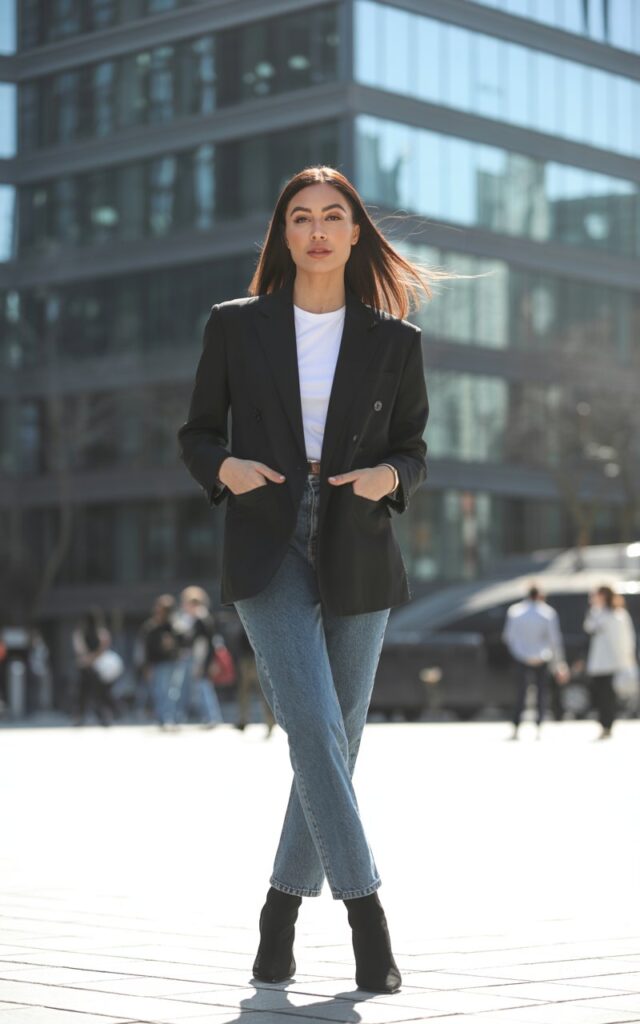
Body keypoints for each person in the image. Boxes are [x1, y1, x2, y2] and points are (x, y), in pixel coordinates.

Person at [177, 165, 435, 994]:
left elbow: (416, 450)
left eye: (333, 217)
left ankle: (278, 915)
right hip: (268, 540)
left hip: (357, 539)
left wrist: (387, 478)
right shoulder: (236, 326)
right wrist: (226, 466)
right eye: (301, 217)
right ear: (283, 233)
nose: (317, 230)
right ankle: (368, 916)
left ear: (356, 232)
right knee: (316, 728)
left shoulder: (396, 342)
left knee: (336, 742)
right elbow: (195, 433)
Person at [502, 584, 570, 740]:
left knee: (520, 693)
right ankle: (539, 725)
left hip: (521, 657)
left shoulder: (515, 612)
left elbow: (509, 637)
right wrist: (559, 662)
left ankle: (516, 726)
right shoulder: (547, 613)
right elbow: (554, 640)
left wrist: (520, 653)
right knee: (541, 693)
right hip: (542, 657)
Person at [583, 584, 637, 740]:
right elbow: (588, 627)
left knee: (609, 696)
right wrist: (594, 607)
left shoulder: (618, 615)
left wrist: (627, 661)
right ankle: (603, 724)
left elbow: (625, 639)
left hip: (613, 662)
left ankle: (608, 724)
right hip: (598, 663)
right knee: (599, 695)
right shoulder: (596, 613)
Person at [172, 586, 223, 728]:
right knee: (197, 689)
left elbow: (203, 644)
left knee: (203, 688)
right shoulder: (194, 619)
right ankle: (207, 717)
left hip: (200, 659)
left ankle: (212, 717)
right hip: (197, 659)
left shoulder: (201, 620)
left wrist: (201, 664)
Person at [138, 595, 180, 728]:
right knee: (159, 691)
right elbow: (145, 648)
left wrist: (172, 643)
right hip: (157, 663)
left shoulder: (174, 625)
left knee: (172, 691)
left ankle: (170, 717)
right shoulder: (151, 627)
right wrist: (146, 666)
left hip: (172, 662)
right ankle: (162, 718)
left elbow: (183, 641)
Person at [71, 607, 118, 726]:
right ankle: (103, 717)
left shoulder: (81, 633)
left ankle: (82, 717)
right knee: (98, 694)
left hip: (88, 667)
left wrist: (89, 659)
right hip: (95, 668)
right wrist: (92, 658)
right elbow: (103, 648)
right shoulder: (100, 632)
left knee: (85, 694)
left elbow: (81, 650)